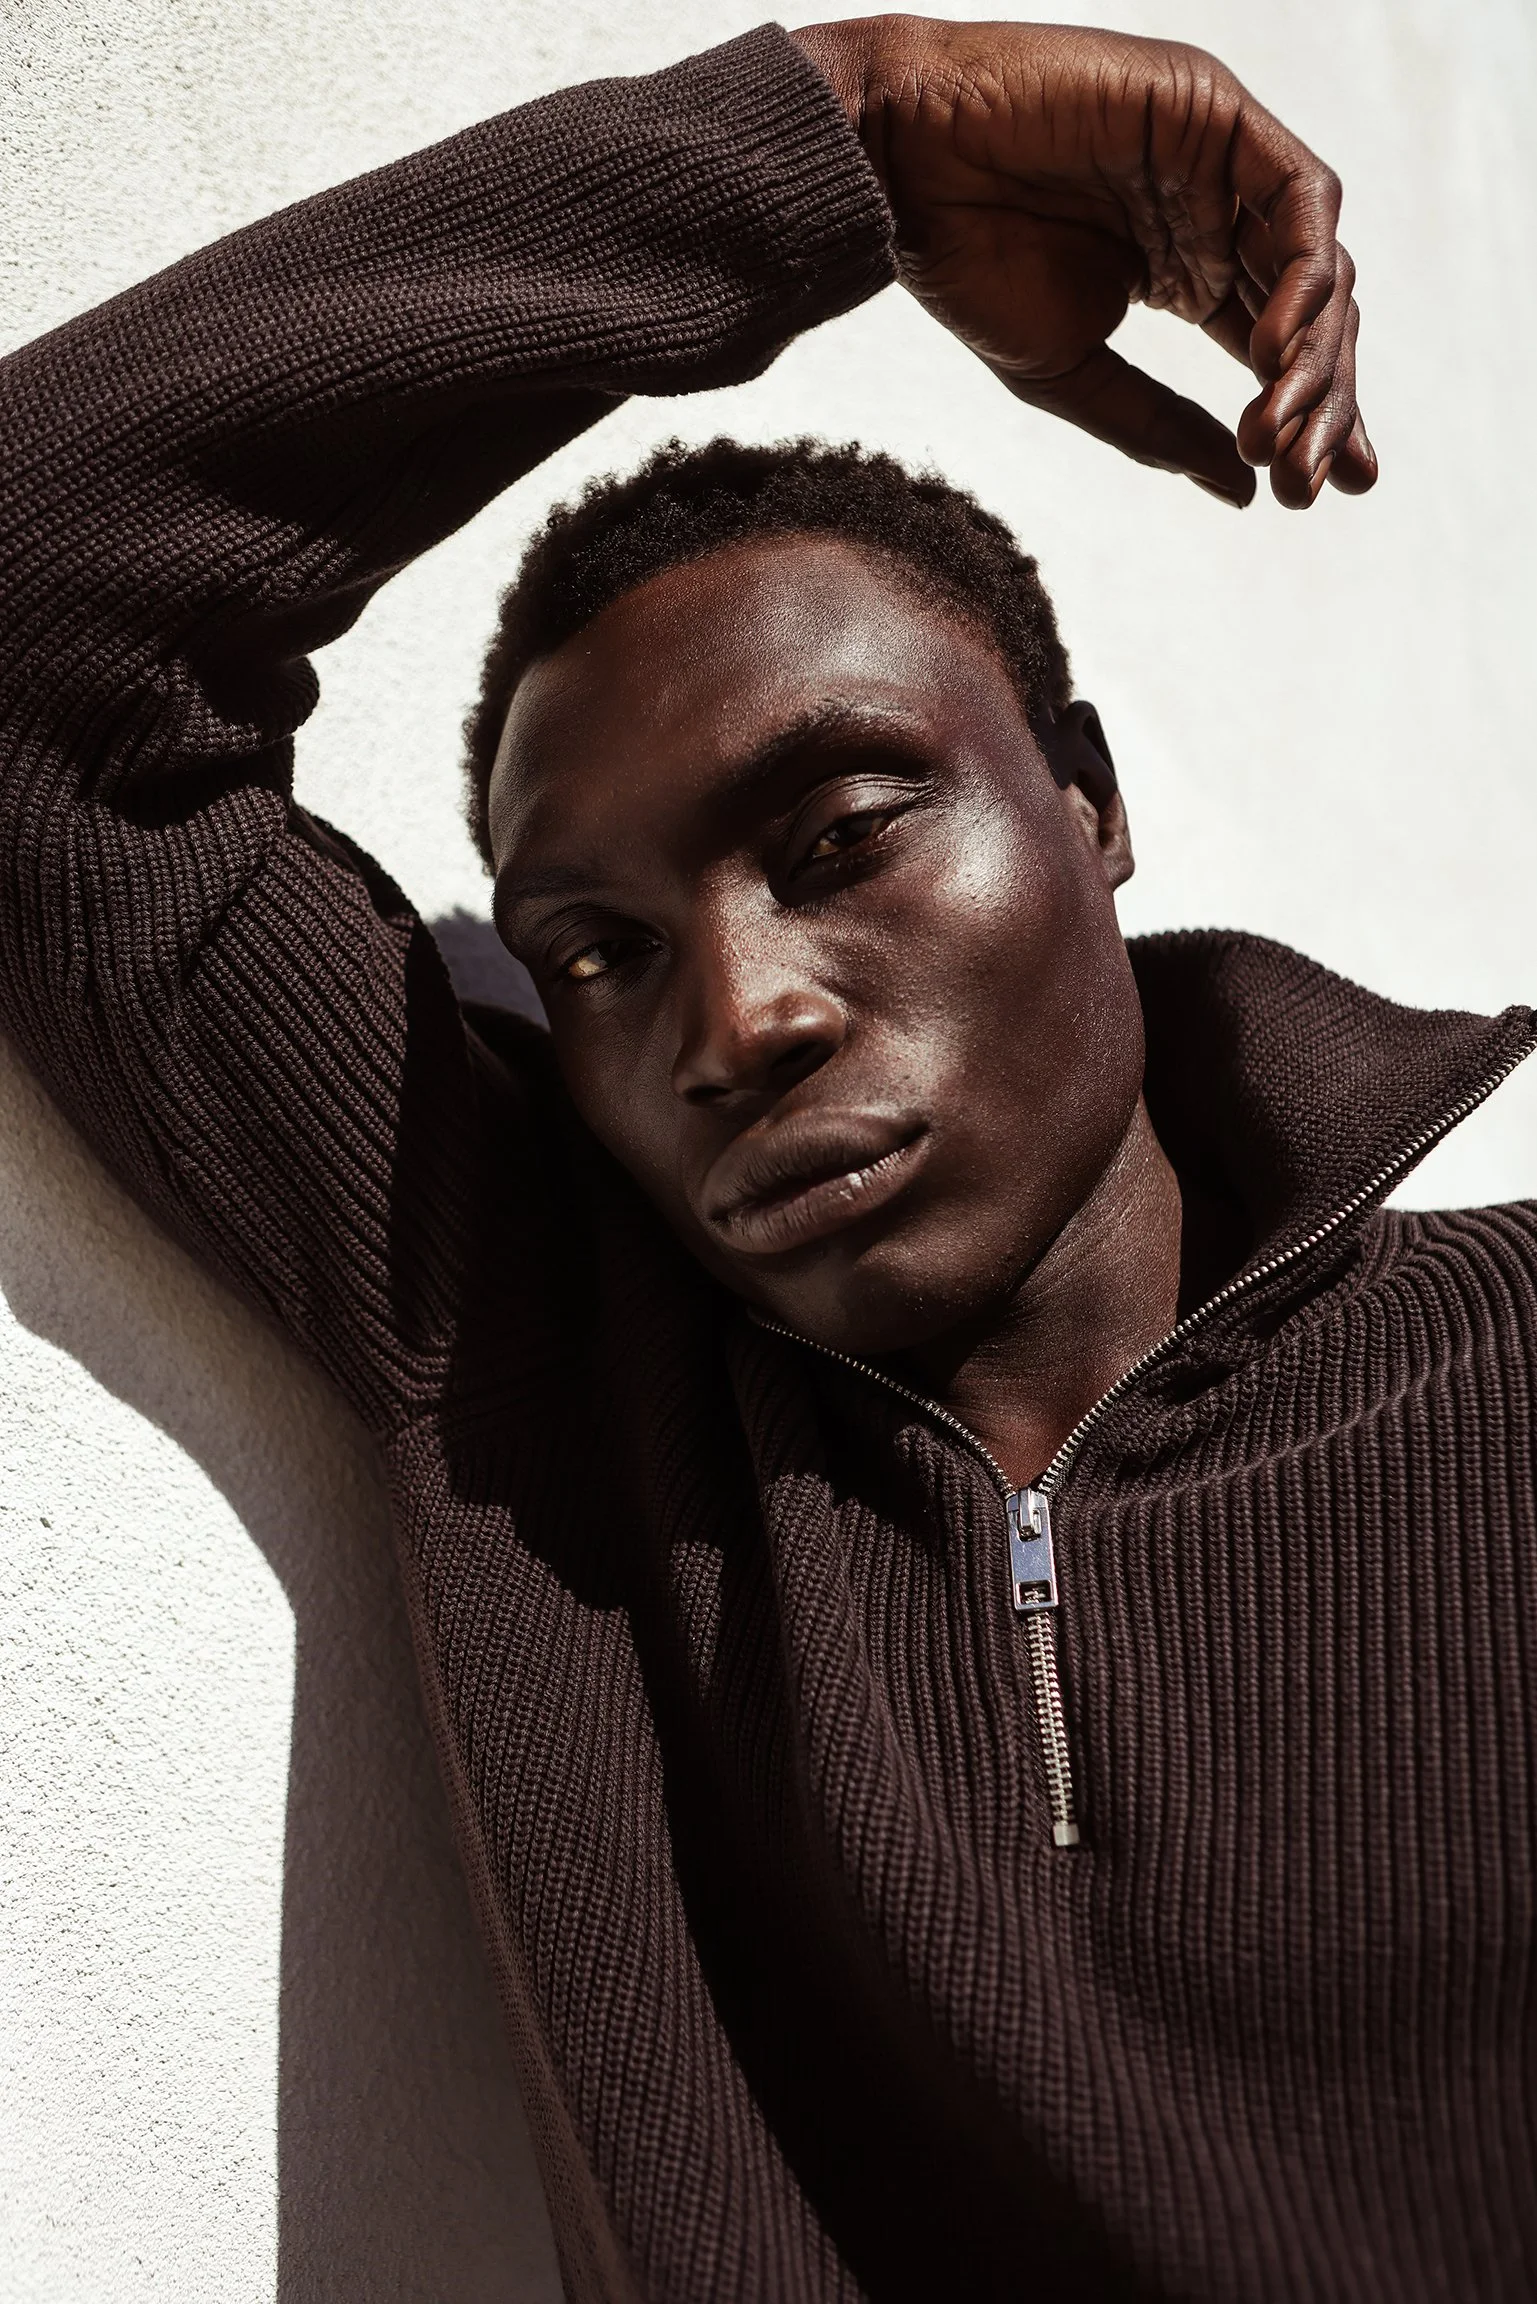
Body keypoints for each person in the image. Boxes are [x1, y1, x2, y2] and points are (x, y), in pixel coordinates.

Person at [1, 14, 1531, 2301]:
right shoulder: (544, 1381)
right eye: (595, 954)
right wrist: (850, 133)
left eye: (839, 837)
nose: (735, 1022)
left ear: (1088, 804)